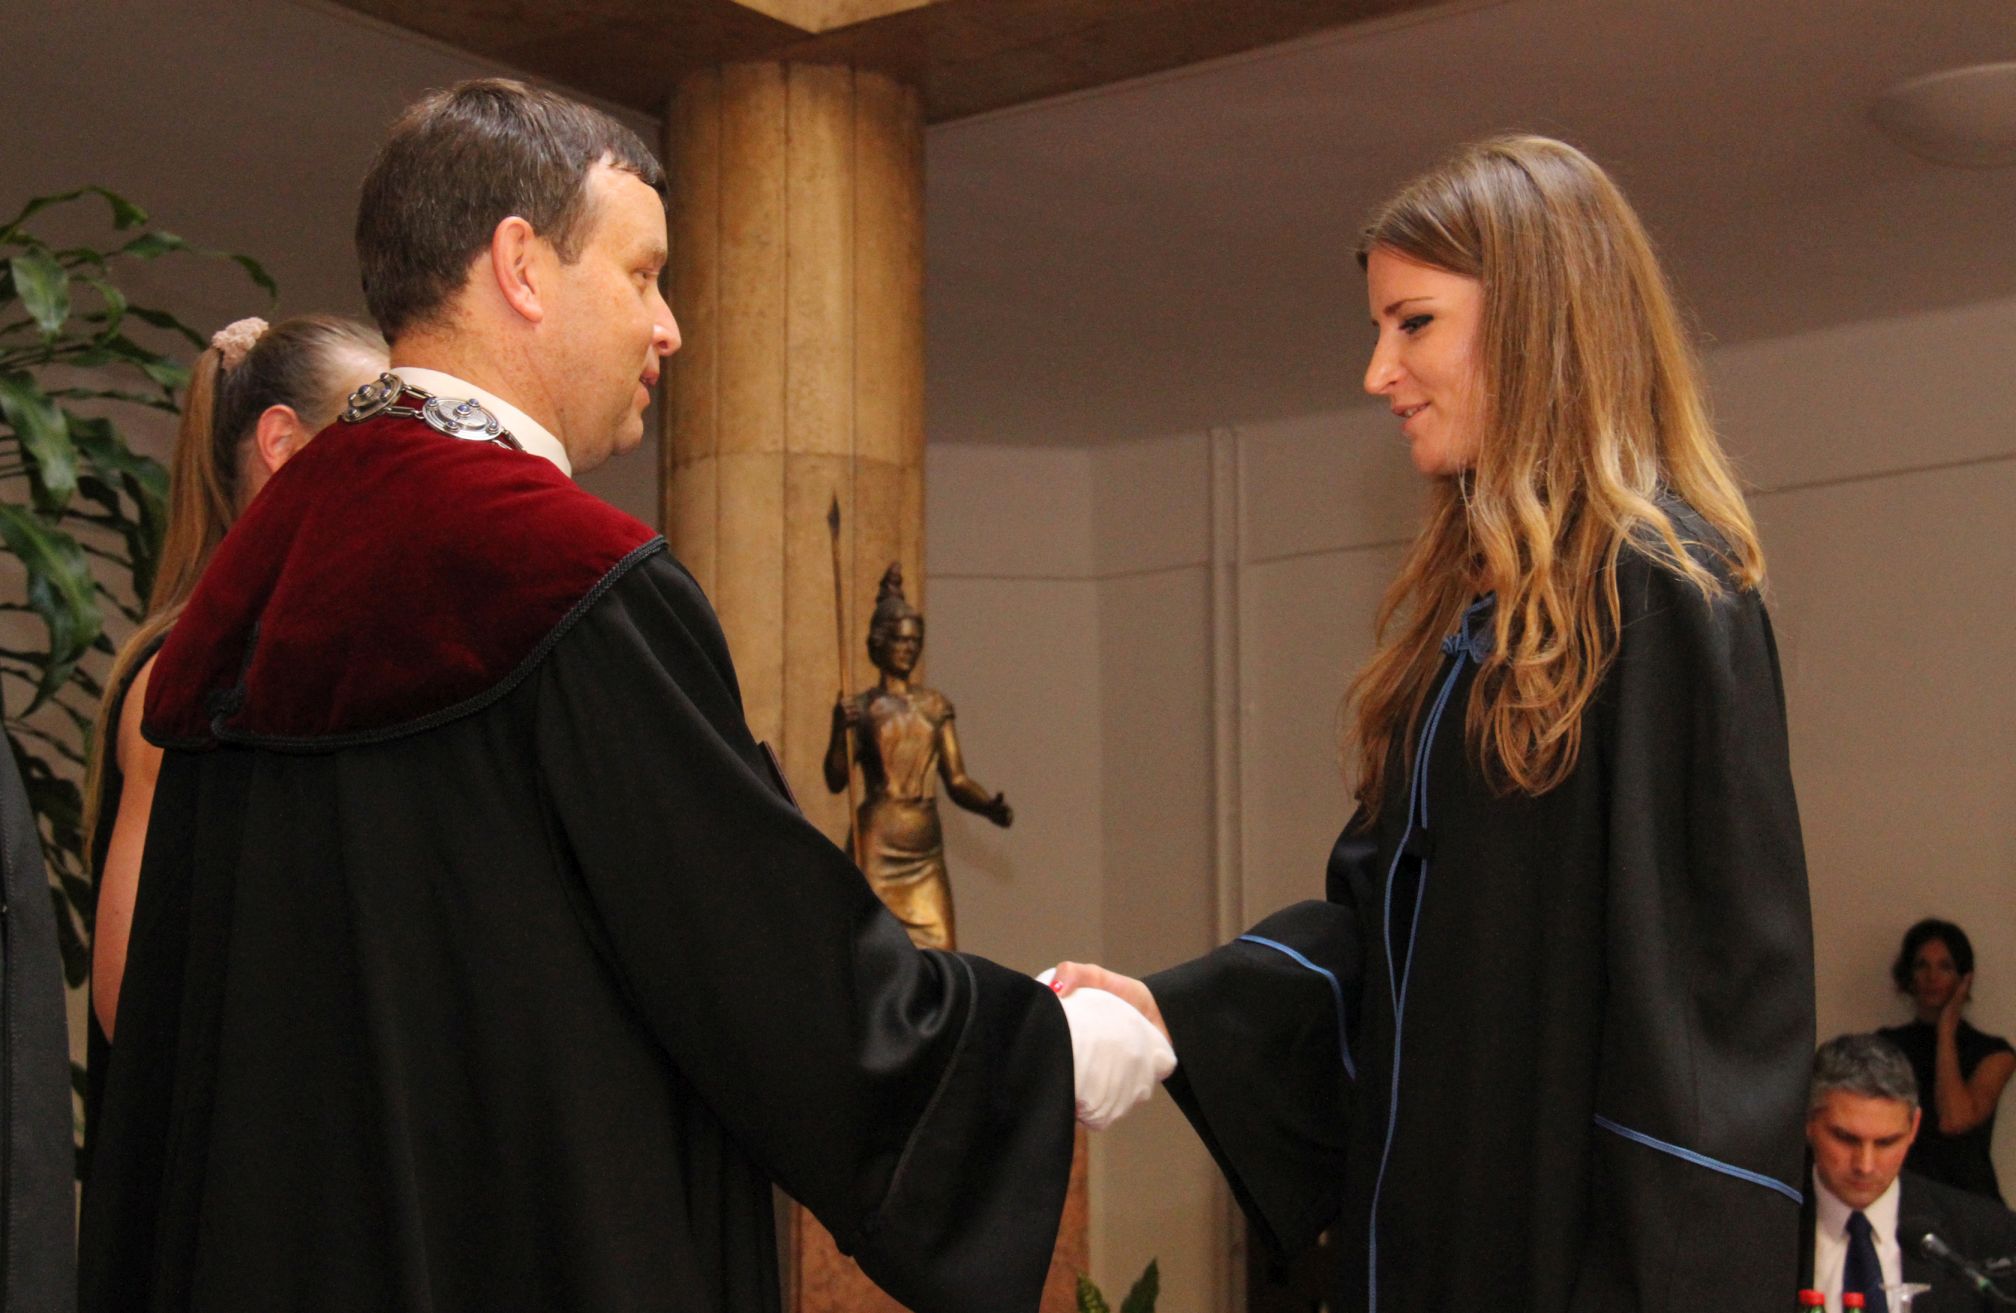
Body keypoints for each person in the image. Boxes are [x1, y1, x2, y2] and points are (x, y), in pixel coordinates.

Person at [78, 78, 1169, 1313]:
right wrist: (1046, 1052)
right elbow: (764, 967)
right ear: (521, 267)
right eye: (643, 274)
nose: (671, 327)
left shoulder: (246, 589)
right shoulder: (566, 575)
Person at [1051, 135, 1816, 1311]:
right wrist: (1177, 1010)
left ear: (1539, 326)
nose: (1378, 372)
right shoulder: (1476, 620)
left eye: (1414, 323)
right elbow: (1386, 932)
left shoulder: (1665, 595)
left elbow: (1710, 1027)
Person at [83, 314, 387, 1151]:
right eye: (371, 442)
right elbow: (129, 996)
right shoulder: (180, 674)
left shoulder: (329, 655)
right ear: (282, 443)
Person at [823, 563, 1012, 949]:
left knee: (941, 947)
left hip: (924, 842)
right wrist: (839, 729)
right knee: (872, 948)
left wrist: (988, 805)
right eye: (899, 640)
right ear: (879, 644)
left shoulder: (934, 705)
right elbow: (836, 779)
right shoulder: (862, 708)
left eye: (915, 641)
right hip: (878, 837)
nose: (909, 648)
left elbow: (957, 780)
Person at [1801, 1033, 2016, 1312]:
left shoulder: (1986, 1236)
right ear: (1808, 1122)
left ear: (1914, 1127)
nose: (1865, 1165)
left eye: (1886, 1142)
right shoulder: (1761, 1228)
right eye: (1845, 1138)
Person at [1879, 919, 2016, 1203]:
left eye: (1945, 967)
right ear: (1909, 976)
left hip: (1971, 1200)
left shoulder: (1994, 1053)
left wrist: (1946, 1030)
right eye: (1922, 965)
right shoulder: (1885, 1046)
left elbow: (1954, 1120)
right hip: (1905, 1198)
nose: (1932, 977)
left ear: (1964, 978)